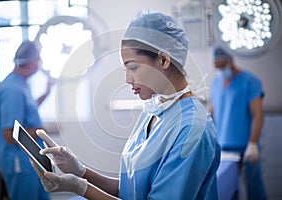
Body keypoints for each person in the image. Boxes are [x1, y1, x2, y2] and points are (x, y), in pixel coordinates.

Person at [31, 10, 221, 199]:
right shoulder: (154, 110)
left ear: (164, 60)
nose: (128, 79)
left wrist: (80, 188)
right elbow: (132, 188)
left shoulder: (192, 130)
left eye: (133, 67)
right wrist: (81, 172)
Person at [0, 40, 54, 200]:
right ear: (32, 63)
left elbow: (28, 109)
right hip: (18, 162)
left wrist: (47, 92)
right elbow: (8, 134)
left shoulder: (19, 84)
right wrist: (41, 132)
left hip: (30, 161)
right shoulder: (13, 90)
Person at [209, 46, 267, 200]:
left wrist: (253, 143)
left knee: (254, 189)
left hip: (246, 147)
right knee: (227, 189)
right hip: (223, 148)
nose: (220, 71)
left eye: (222, 66)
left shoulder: (250, 81)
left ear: (231, 60)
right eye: (216, 67)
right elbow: (212, 112)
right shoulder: (216, 82)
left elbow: (258, 114)